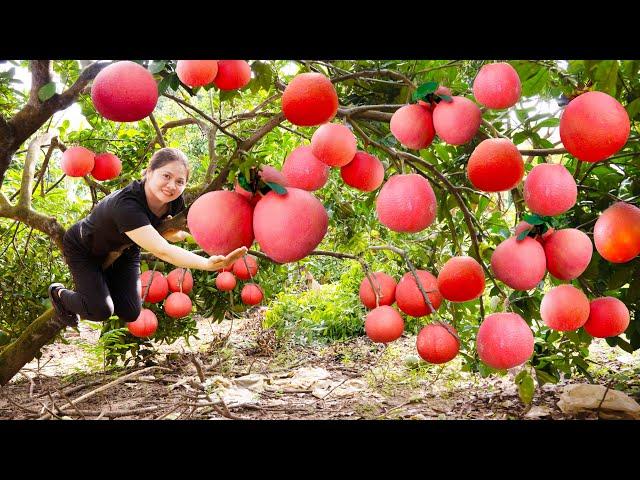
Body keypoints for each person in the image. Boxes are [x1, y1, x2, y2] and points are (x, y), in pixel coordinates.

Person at [48, 147, 247, 327]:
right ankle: (58, 293)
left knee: (130, 312)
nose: (172, 186)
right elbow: (163, 250)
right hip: (85, 248)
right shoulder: (127, 205)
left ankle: (100, 287)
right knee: (100, 310)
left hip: (126, 248)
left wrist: (216, 239)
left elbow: (172, 236)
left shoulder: (175, 203)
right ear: (149, 172)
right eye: (166, 176)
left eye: (180, 181)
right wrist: (207, 263)